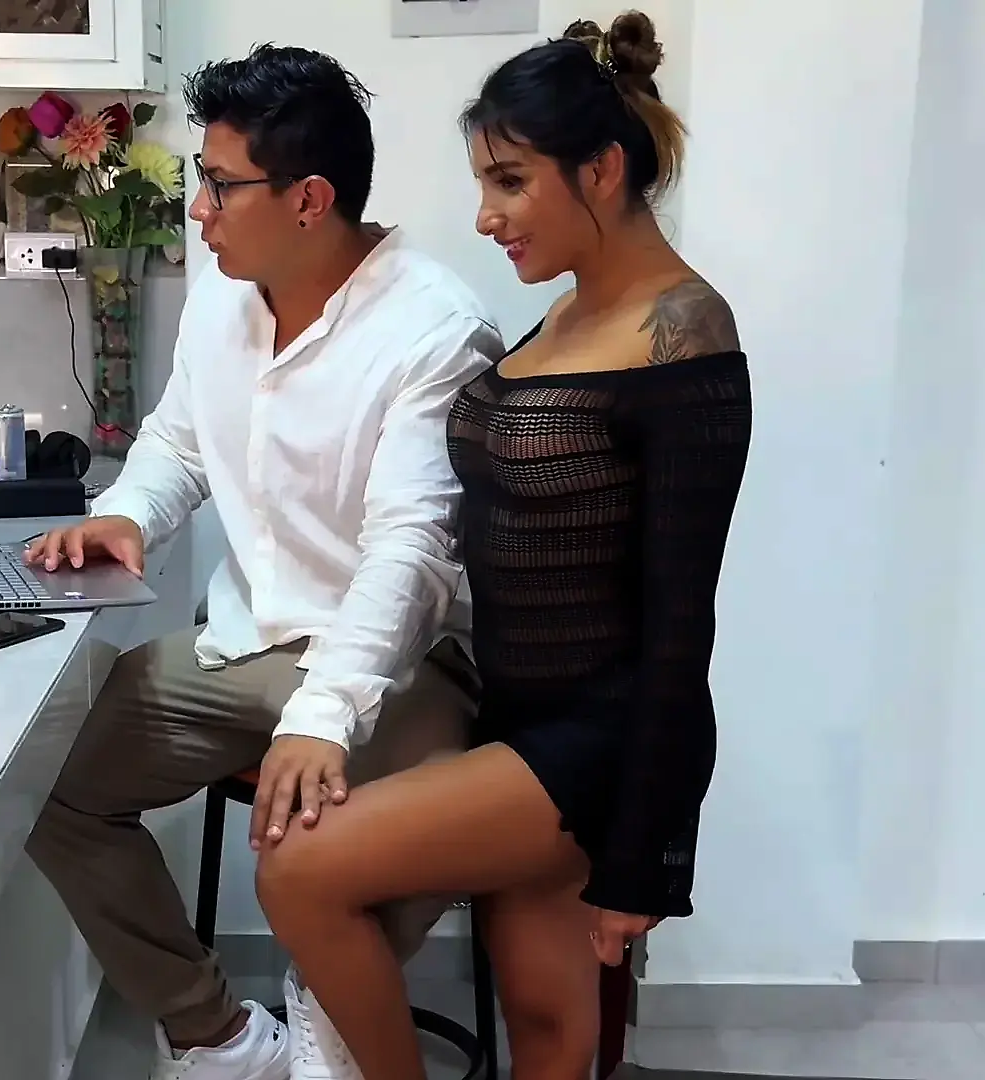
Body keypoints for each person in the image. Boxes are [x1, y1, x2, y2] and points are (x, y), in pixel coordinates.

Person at [254, 13, 754, 1080]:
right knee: (547, 1032)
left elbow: (681, 624)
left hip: (596, 742)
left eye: (511, 182)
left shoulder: (685, 335)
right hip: (514, 713)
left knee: (298, 869)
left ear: (602, 170)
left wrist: (646, 858)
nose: (485, 217)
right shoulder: (565, 318)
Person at [22, 44, 499, 1080]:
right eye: (201, 180)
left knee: (424, 826)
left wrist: (322, 717)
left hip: (402, 655)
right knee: (51, 788)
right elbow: (181, 440)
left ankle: (330, 993)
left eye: (221, 185)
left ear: (309, 200)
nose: (199, 210)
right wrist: (128, 514)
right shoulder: (224, 292)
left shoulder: (435, 332)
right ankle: (219, 1037)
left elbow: (410, 551)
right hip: (249, 638)